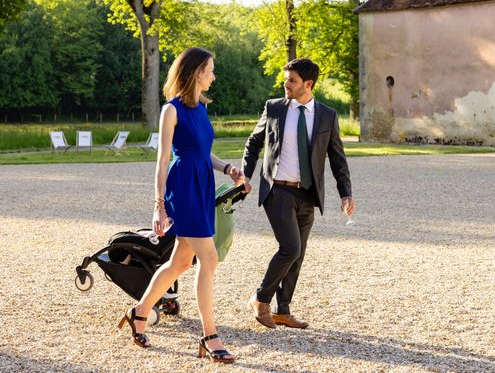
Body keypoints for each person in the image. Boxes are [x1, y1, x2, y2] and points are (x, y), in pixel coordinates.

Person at [117, 47, 244, 364]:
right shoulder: (170, 110)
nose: (214, 76)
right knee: (209, 257)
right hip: (183, 189)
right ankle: (209, 335)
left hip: (202, 185)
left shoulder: (201, 106)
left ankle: (140, 311)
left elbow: (201, 152)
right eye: (210, 70)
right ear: (196, 72)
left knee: (180, 264)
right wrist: (159, 206)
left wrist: (227, 168)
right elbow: (162, 161)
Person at [241, 57, 355, 329]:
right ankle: (260, 298)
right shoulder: (274, 108)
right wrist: (245, 174)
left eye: (291, 80)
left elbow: (337, 157)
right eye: (286, 79)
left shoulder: (327, 115)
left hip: (308, 194)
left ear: (308, 83)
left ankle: (283, 310)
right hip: (277, 191)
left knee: (299, 253)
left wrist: (345, 192)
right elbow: (253, 142)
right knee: (290, 247)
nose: (286, 84)